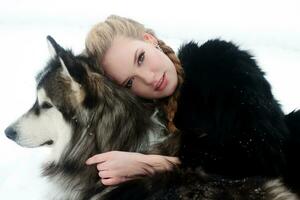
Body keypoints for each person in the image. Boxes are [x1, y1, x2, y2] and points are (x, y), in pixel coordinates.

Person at [84, 15, 300, 188]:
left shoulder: (219, 64)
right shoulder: (147, 123)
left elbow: (264, 157)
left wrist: (154, 164)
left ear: (149, 40)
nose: (149, 78)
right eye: (130, 82)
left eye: (141, 58)